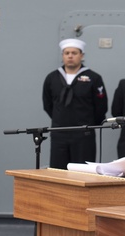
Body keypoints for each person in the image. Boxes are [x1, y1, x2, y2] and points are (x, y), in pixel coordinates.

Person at [41, 38, 108, 169]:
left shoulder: (93, 78)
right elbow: (47, 104)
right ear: (62, 56)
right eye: (67, 53)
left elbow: (101, 107)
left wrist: (87, 125)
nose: (70, 56)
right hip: (59, 133)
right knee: (58, 171)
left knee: (82, 171)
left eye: (74, 53)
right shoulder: (52, 78)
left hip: (83, 134)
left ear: (81, 55)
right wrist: (61, 119)